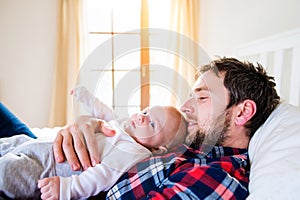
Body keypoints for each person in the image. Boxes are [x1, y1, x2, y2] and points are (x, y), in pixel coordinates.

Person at [53, 57, 280, 199]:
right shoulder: (194, 146)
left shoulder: (217, 176)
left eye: (201, 98)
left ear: (242, 112)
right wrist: (93, 125)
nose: (184, 106)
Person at [0, 88, 187, 199]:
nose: (142, 118)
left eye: (152, 123)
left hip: (49, 167)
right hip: (38, 144)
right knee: (11, 143)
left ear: (159, 148)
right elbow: (104, 113)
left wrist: (68, 188)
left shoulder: (134, 152)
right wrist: (86, 97)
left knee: (8, 171)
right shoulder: (124, 127)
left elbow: (101, 175)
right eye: (145, 112)